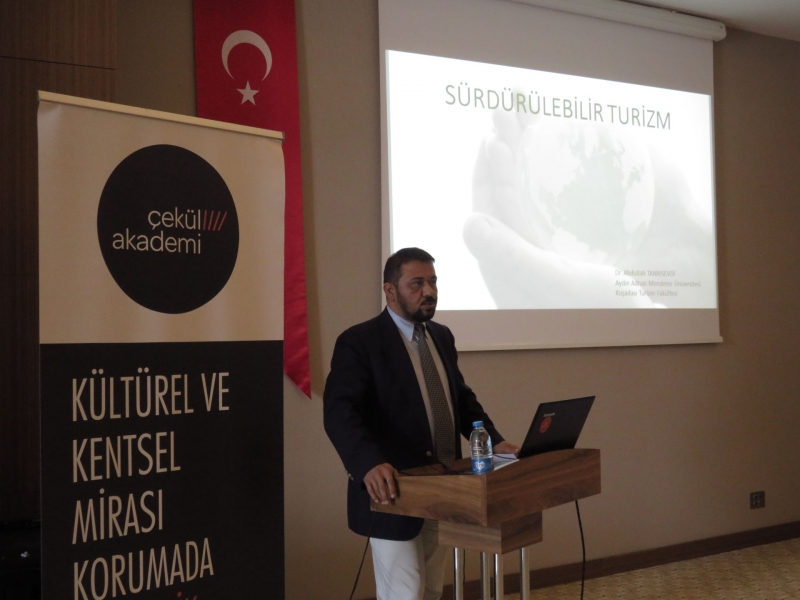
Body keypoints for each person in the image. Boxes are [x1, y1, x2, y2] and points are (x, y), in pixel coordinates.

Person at [323, 247, 519, 600]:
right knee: (406, 592)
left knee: (430, 589)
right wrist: (367, 464)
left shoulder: (441, 336)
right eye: (417, 283)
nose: (429, 291)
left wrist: (494, 441)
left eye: (433, 282)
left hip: (442, 485)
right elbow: (339, 412)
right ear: (390, 290)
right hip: (394, 491)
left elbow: (461, 400)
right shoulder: (360, 341)